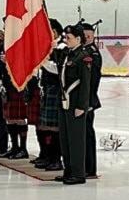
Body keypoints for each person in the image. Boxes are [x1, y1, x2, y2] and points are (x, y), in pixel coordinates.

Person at [56, 24, 91, 185]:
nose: (66, 40)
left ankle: (78, 173)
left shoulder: (84, 57)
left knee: (76, 140)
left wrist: (81, 106)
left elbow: (85, 84)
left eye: (69, 38)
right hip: (64, 103)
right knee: (65, 139)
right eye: (65, 38)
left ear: (78, 39)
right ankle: (68, 170)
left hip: (75, 103)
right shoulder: (67, 55)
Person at [33, 18, 65, 172]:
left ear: (54, 31)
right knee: (44, 127)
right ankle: (46, 156)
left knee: (54, 128)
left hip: (56, 88)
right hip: (46, 87)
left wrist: (43, 61)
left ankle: (56, 159)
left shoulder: (62, 47)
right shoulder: (47, 47)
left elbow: (59, 69)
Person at [82, 22, 102, 178]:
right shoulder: (84, 52)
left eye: (87, 35)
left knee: (87, 134)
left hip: (87, 100)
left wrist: (88, 101)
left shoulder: (91, 54)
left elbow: (92, 80)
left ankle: (89, 168)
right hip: (82, 99)